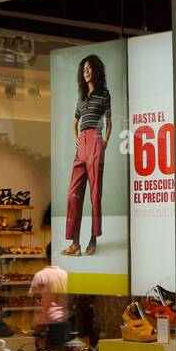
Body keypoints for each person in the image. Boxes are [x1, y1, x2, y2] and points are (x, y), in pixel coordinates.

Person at [63, 54, 112, 257]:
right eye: (84, 69)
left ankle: (93, 238)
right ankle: (75, 243)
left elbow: (109, 121)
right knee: (73, 194)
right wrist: (76, 139)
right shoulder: (81, 98)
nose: (86, 72)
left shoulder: (104, 94)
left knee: (94, 194)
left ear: (96, 71)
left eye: (90, 68)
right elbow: (74, 122)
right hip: (82, 143)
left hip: (96, 140)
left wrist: (105, 141)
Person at [30, 244, 70, 351]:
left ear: (48, 257)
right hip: (66, 323)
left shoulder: (50, 276)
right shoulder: (66, 273)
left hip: (56, 326)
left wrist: (37, 332)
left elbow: (48, 308)